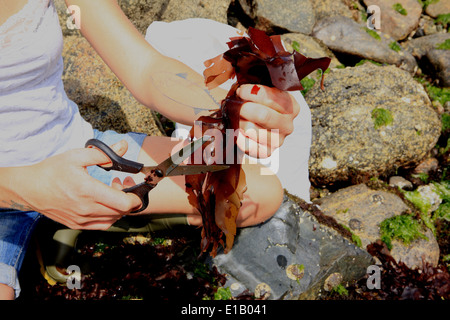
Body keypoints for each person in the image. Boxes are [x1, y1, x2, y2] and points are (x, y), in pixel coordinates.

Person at [0, 0, 307, 300]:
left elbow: (145, 69)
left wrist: (230, 108)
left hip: (71, 148)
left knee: (259, 192)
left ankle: (64, 220)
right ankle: (62, 219)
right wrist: (27, 190)